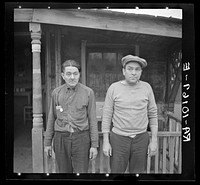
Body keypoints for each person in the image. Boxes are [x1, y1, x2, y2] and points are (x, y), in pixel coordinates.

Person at [102, 55, 158, 173]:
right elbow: (107, 115)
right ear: (123, 71)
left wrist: (154, 140)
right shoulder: (114, 88)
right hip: (118, 138)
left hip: (141, 138)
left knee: (138, 173)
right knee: (116, 172)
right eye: (130, 69)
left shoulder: (147, 87)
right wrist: (106, 142)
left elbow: (153, 114)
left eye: (137, 69)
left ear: (141, 72)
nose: (133, 73)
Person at [44, 59, 99, 173]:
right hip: (61, 138)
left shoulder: (88, 93)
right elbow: (51, 118)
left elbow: (92, 120)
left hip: (81, 138)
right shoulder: (56, 93)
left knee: (81, 172)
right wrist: (47, 143)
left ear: (79, 75)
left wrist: (94, 145)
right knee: (63, 172)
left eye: (75, 73)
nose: (72, 77)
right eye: (68, 74)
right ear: (63, 75)